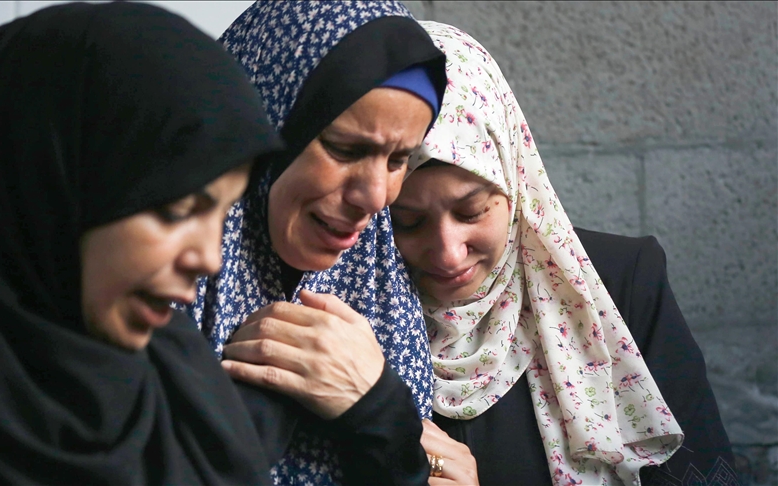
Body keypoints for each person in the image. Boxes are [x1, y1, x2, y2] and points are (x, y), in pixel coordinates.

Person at [0, 2, 285, 484]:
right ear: (42, 187)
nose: (210, 258)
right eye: (177, 210)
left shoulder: (184, 381)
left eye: (224, 212)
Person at [391, 21, 737, 485]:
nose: (449, 254)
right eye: (407, 222)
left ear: (515, 179)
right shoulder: (358, 314)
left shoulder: (618, 284)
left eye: (472, 211)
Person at [186, 1, 447, 484]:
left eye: (398, 160)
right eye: (345, 149)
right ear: (264, 121)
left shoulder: (381, 290)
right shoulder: (150, 284)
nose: (376, 197)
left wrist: (377, 410)